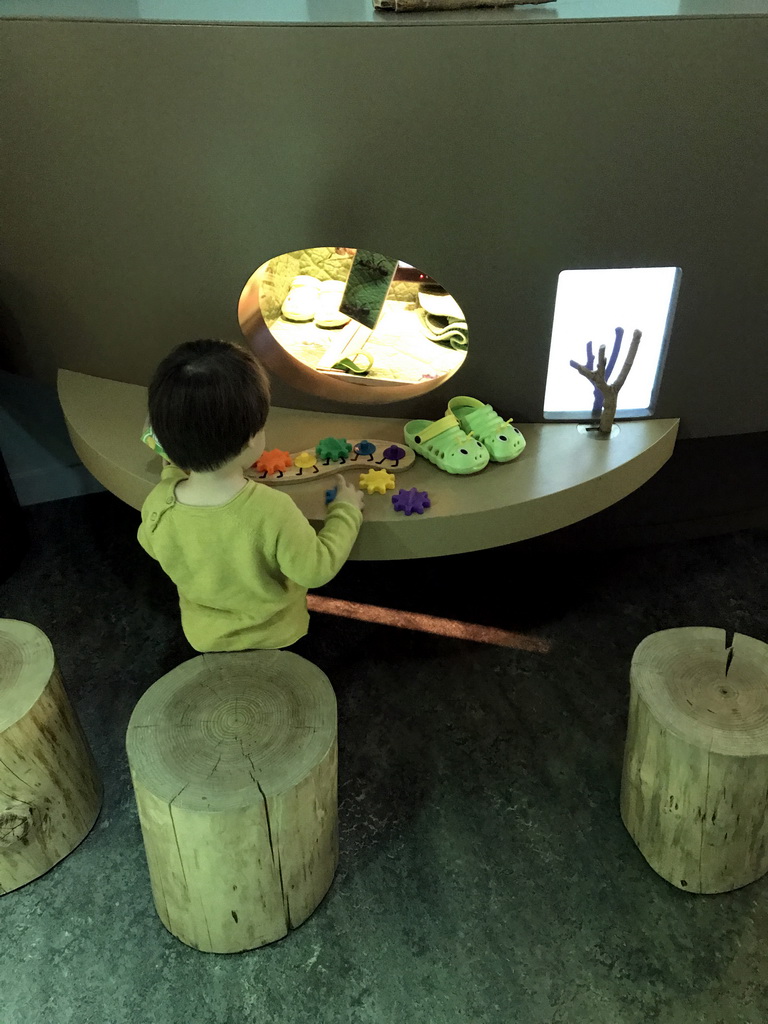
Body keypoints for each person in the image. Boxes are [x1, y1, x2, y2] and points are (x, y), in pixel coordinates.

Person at [137, 338, 364, 652]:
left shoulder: (159, 505)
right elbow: (315, 568)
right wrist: (346, 510)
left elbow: (151, 544)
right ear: (251, 442)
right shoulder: (273, 510)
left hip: (204, 636)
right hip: (279, 635)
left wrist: (172, 474)